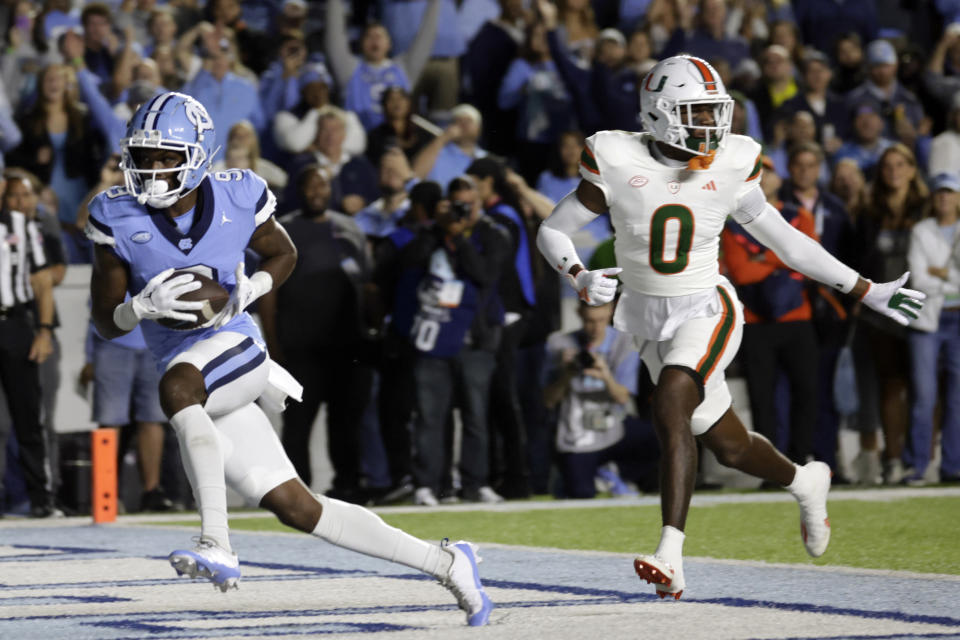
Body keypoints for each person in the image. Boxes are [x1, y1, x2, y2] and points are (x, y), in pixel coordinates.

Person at [84, 92, 491, 626]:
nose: (154, 170)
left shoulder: (237, 194)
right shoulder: (114, 214)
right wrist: (138, 307)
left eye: (167, 157)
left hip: (238, 347)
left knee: (180, 389)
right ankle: (447, 562)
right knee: (297, 507)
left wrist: (249, 289)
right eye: (145, 156)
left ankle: (218, 543)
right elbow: (103, 321)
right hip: (188, 364)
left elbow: (284, 252)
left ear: (199, 154)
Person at [535, 55, 924, 599]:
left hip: (706, 308)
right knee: (728, 445)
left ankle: (671, 555)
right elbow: (553, 230)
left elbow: (787, 243)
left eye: (714, 112)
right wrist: (577, 275)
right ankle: (805, 481)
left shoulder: (732, 162)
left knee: (672, 400)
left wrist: (866, 289)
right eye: (696, 113)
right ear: (659, 115)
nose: (711, 126)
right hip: (648, 318)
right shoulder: (617, 159)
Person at [543, 300, 657, 498]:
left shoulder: (623, 342)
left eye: (601, 320)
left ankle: (616, 471)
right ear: (579, 313)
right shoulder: (559, 344)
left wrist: (605, 376)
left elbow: (622, 398)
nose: (595, 328)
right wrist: (567, 374)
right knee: (581, 493)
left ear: (611, 312)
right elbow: (548, 401)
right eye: (589, 321)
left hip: (614, 426)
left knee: (662, 437)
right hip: (578, 433)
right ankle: (576, 476)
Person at [0, 161, 59, 518]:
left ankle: (41, 498)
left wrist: (44, 330)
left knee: (27, 415)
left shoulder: (22, 225)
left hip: (15, 324)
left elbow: (41, 282)